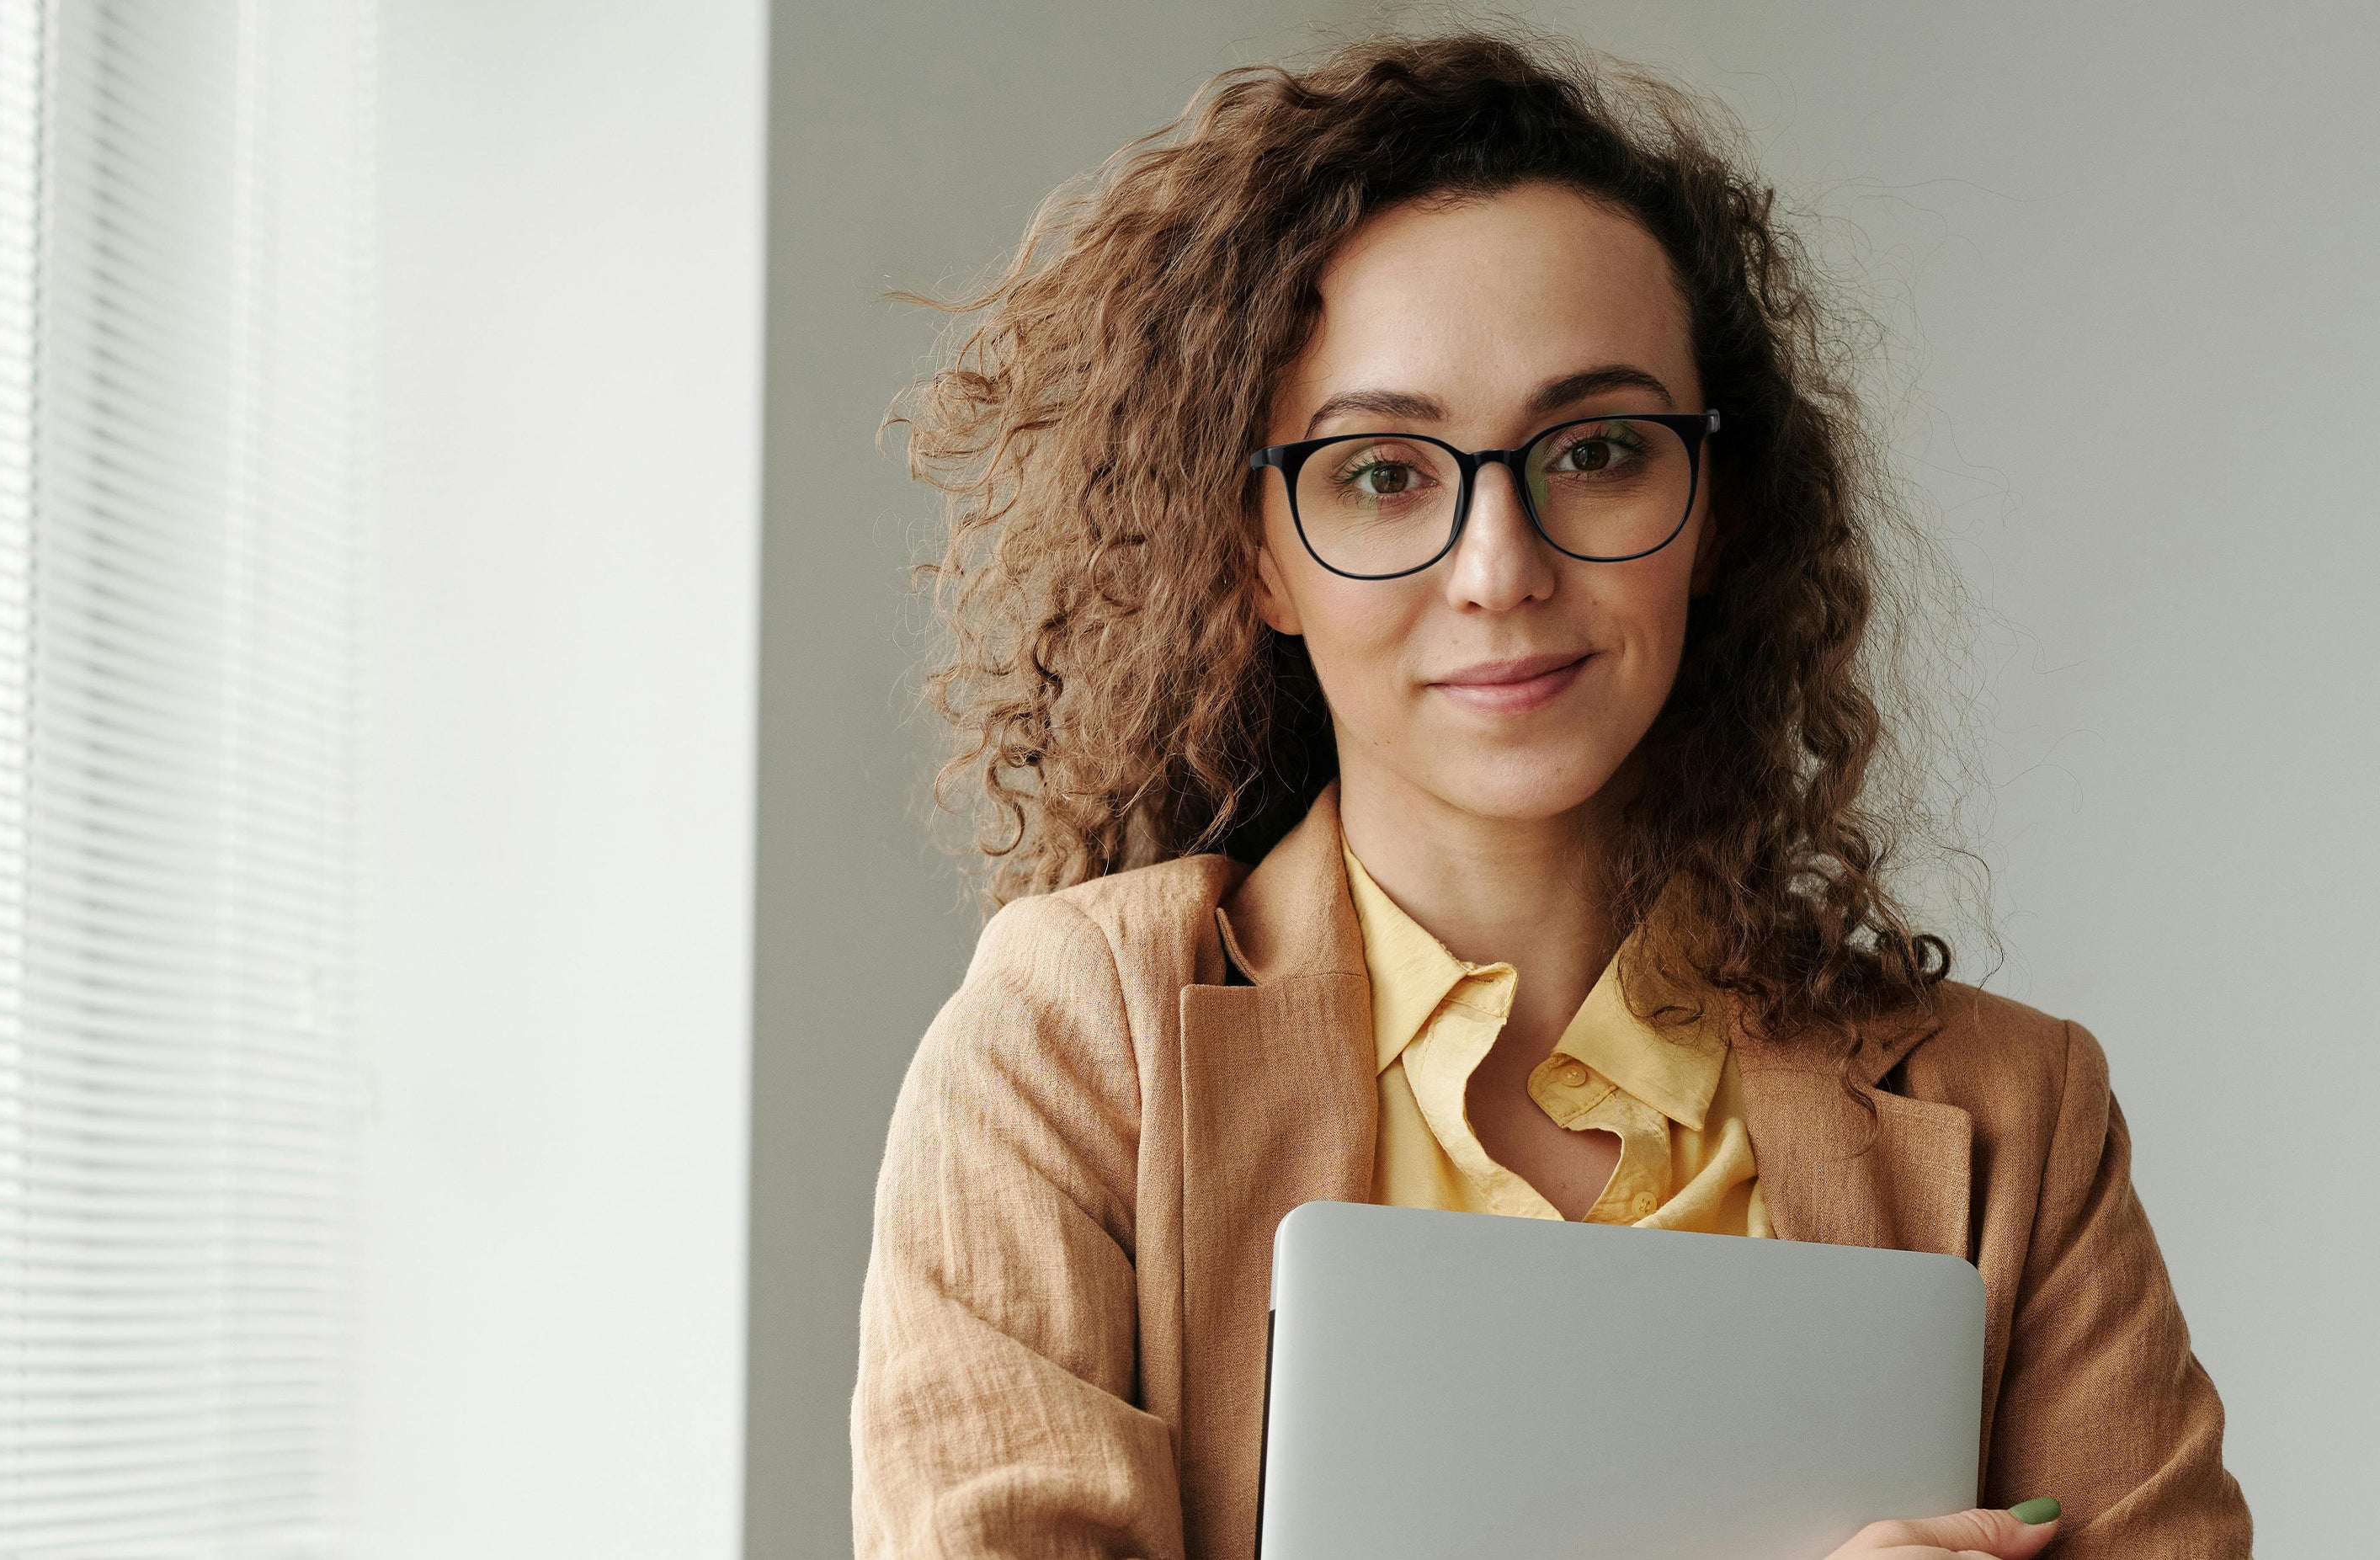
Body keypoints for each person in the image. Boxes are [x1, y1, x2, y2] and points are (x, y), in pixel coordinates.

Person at [853, 29, 2248, 1560]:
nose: (1500, 569)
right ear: (1255, 552)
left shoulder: (2017, 1116)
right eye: (1382, 471)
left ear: (1715, 509)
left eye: (1595, 450)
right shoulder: (1072, 1045)